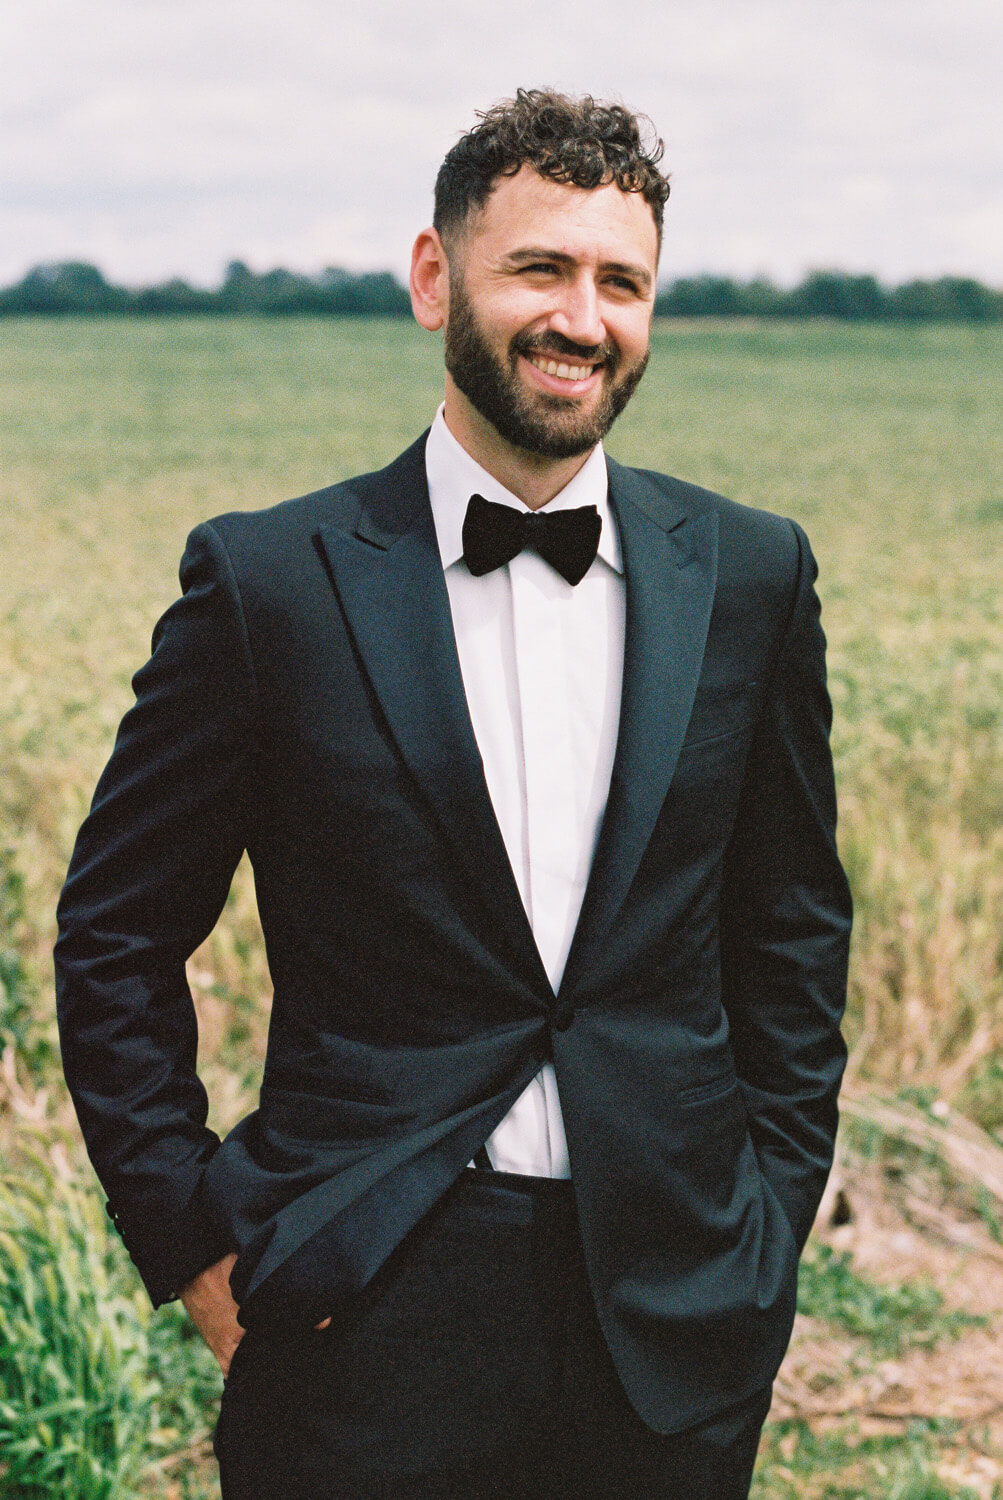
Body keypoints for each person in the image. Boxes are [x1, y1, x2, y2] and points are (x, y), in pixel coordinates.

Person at [55, 89, 852, 1498]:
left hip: (668, 1310)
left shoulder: (752, 577)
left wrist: (764, 1233)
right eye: (539, 268)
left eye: (622, 282)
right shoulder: (269, 586)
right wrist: (190, 1244)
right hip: (358, 1307)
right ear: (437, 278)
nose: (582, 318)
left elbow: (789, 934)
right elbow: (116, 936)